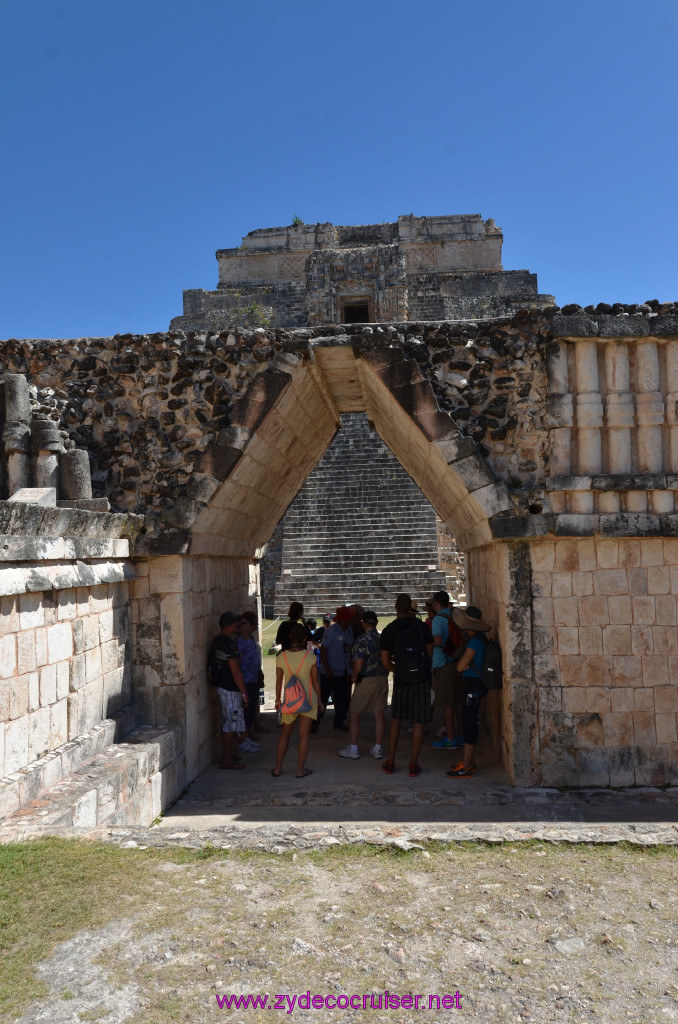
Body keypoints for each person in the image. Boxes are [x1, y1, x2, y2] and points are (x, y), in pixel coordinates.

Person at [379, 593, 433, 777]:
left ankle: (391, 760)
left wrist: (400, 670)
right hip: (422, 679)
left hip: (402, 681)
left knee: (396, 718)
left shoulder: (389, 630)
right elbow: (430, 655)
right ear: (410, 607)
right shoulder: (421, 628)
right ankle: (413, 764)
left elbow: (386, 663)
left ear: (395, 608)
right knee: (419, 722)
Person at [272, 623, 323, 778]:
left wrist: (277, 701)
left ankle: (278, 768)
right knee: (304, 735)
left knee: (285, 735)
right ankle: (300, 770)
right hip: (308, 699)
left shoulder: (281, 657)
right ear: (304, 639)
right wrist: (320, 700)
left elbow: (279, 682)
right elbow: (315, 681)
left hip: (290, 700)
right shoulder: (310, 657)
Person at [446, 606, 492, 778]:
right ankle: (469, 762)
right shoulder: (481, 638)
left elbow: (460, 666)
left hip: (473, 684)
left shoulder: (473, 642)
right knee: (469, 721)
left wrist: (462, 661)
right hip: (475, 683)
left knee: (469, 722)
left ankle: (466, 766)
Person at [339, 610, 388, 760]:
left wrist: (354, 675)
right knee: (379, 714)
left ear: (363, 624)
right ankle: (378, 748)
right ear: (376, 623)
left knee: (354, 714)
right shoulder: (382, 638)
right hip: (382, 678)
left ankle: (354, 748)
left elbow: (359, 661)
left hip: (366, 680)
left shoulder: (362, 640)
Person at [208, 611, 250, 770]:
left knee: (229, 722)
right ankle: (227, 759)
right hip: (230, 689)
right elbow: (236, 672)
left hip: (223, 687)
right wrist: (245, 694)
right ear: (232, 625)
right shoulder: (228, 645)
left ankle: (229, 754)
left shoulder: (218, 641)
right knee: (230, 724)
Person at [430, 590, 464, 751]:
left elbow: (437, 640)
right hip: (456, 662)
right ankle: (461, 735)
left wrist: (429, 643)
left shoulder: (438, 619)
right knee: (458, 701)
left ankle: (450, 739)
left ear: (437, 603)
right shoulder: (454, 616)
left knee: (447, 703)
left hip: (442, 663)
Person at [319, 605, 354, 731]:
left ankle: (339, 722)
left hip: (342, 671)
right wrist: (327, 669)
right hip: (329, 672)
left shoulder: (349, 630)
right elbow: (323, 650)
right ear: (344, 619)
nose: (352, 620)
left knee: (342, 700)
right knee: (322, 699)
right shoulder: (331, 631)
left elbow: (349, 650)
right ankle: (314, 723)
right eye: (350, 618)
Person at [236, 612, 267, 747]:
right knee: (246, 709)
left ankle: (250, 734)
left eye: (248, 623)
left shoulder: (250, 640)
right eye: (244, 624)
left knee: (253, 705)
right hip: (245, 680)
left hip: (253, 678)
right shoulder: (239, 642)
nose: (248, 626)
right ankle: (246, 737)